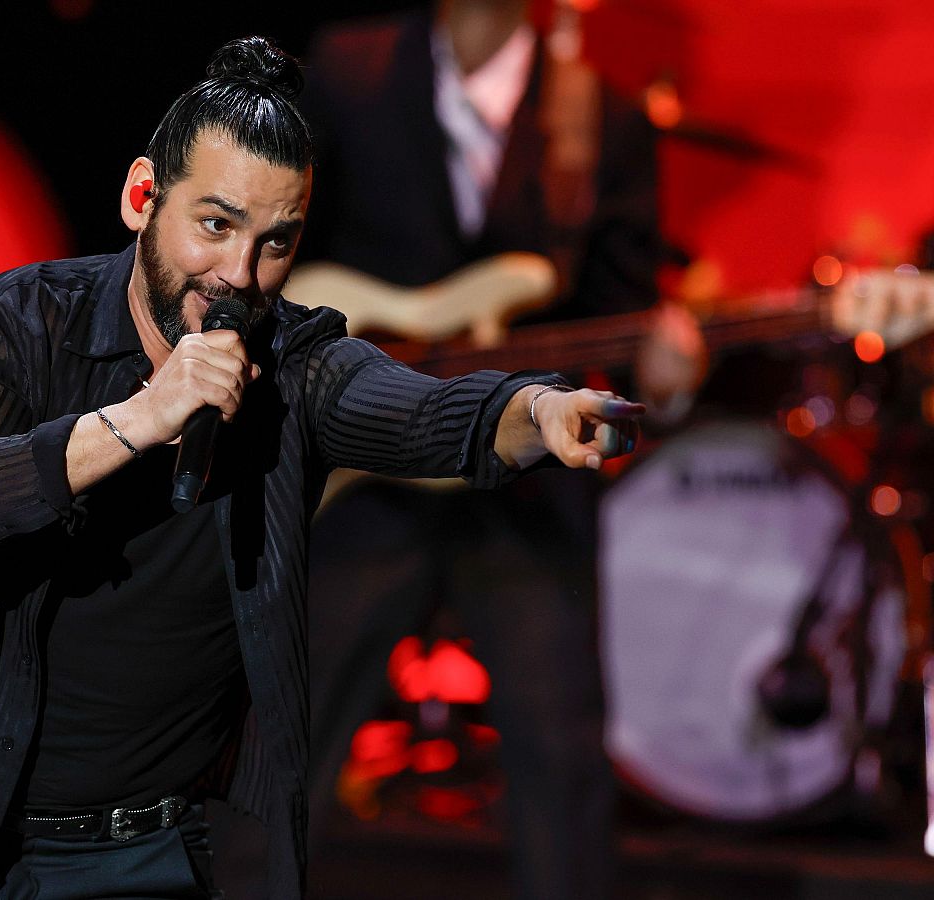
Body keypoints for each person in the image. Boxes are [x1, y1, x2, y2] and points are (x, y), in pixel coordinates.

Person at [0, 35, 643, 900]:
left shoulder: (297, 364)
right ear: (141, 198)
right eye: (215, 225)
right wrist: (135, 420)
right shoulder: (23, 320)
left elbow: (427, 411)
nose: (237, 274)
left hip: (127, 860)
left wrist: (537, 410)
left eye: (276, 242)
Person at [275, 3, 699, 899]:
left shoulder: (603, 119)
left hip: (527, 493)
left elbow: (617, 360)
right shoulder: (344, 68)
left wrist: (661, 387)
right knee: (280, 747)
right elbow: (276, 255)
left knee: (561, 768)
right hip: (362, 473)